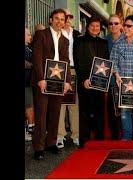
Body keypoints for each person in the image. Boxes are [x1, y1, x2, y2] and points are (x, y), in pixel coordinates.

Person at [31, 9, 71, 160]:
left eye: (62, 19)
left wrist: (67, 81)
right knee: (41, 115)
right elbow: (37, 57)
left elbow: (66, 61)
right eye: (56, 19)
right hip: (43, 81)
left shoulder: (65, 40)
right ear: (50, 20)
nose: (59, 22)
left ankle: (51, 143)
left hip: (58, 81)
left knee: (55, 113)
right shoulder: (41, 35)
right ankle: (39, 147)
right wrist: (41, 79)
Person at [73, 16, 109, 147]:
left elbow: (106, 62)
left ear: (100, 28)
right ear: (87, 27)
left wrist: (104, 80)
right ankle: (85, 140)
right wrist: (83, 79)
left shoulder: (103, 42)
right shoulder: (79, 41)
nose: (95, 28)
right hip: (85, 82)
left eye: (97, 26)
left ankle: (99, 139)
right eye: (92, 26)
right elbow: (77, 62)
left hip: (99, 82)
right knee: (84, 112)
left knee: (99, 111)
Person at [56, 9, 81, 148]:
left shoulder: (77, 34)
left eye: (69, 16)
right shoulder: (55, 33)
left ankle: (76, 135)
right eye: (64, 16)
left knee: (74, 104)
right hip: (58, 70)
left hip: (73, 70)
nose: (67, 19)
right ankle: (60, 135)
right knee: (60, 104)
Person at [104, 14, 123, 140]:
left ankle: (127, 138)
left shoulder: (129, 39)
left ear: (121, 24)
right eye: (111, 23)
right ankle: (115, 138)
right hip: (110, 83)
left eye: (116, 23)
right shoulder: (104, 41)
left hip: (126, 82)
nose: (113, 26)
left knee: (127, 113)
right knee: (113, 113)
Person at [25, 28, 35, 142]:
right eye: (28, 35)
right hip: (25, 84)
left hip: (29, 82)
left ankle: (30, 128)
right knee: (29, 106)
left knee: (29, 105)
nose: (30, 37)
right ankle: (29, 130)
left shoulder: (28, 48)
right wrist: (35, 64)